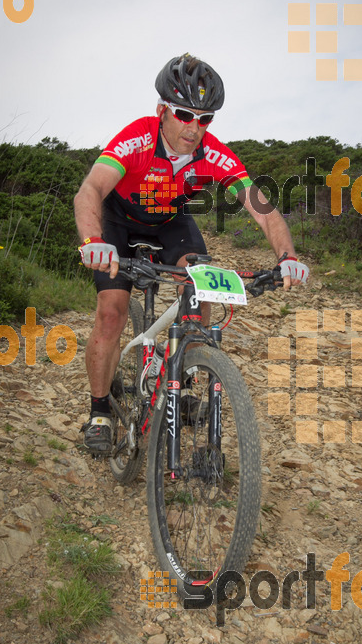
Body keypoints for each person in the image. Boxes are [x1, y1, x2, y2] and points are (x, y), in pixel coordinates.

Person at [75, 53, 309, 454]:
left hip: (170, 221)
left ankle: (183, 380)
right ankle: (99, 411)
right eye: (185, 114)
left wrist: (287, 255)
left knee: (199, 290)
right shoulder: (137, 138)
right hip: (118, 220)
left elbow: (264, 210)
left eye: (206, 118)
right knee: (112, 309)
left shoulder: (212, 152)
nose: (194, 127)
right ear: (162, 110)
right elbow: (90, 190)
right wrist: (93, 242)